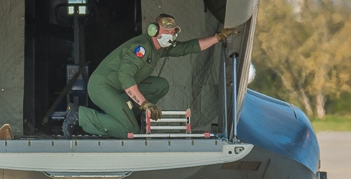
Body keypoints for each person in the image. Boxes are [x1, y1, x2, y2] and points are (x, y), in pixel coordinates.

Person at [62, 14, 238, 139]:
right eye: (167, 31)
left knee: (161, 85)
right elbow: (126, 78)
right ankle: (80, 115)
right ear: (153, 30)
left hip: (119, 91)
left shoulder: (160, 48)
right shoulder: (141, 48)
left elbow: (187, 48)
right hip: (102, 88)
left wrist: (217, 37)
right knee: (131, 132)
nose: (171, 35)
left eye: (173, 32)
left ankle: (128, 114)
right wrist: (144, 103)